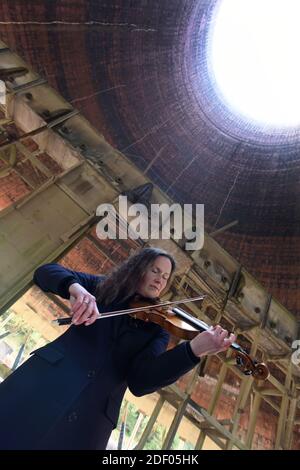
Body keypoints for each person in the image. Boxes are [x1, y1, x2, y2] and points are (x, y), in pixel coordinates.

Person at [0, 247, 235, 450]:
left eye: (165, 277)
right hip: (43, 385)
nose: (160, 280)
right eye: (155, 270)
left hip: (89, 422)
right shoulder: (103, 288)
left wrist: (193, 350)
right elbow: (45, 272)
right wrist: (76, 289)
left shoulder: (158, 327)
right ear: (138, 267)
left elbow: (141, 382)